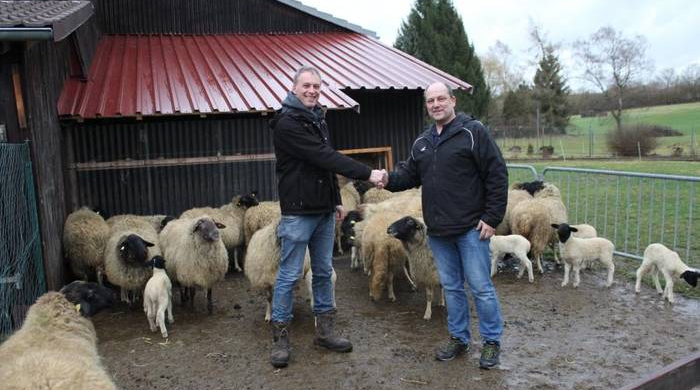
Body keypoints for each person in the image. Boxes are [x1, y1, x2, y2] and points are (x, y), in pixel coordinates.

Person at [382, 81, 508, 369]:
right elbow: (409, 175)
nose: (436, 104)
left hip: (470, 229)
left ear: (453, 101)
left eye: (441, 99)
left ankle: (491, 342)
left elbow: (497, 173)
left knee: (480, 287)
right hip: (437, 232)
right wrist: (386, 179)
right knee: (451, 288)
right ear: (426, 106)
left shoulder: (473, 133)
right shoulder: (423, 142)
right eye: (430, 101)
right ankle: (459, 338)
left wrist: (491, 217)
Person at [268, 66, 386, 368]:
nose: (312, 91)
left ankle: (325, 330)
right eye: (306, 85)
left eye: (316, 87)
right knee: (290, 274)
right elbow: (324, 157)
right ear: (294, 88)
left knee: (322, 271)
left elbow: (324, 167)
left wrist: (335, 200)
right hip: (298, 211)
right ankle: (280, 336)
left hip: (322, 210)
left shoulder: (317, 119)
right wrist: (368, 173)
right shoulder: (286, 123)